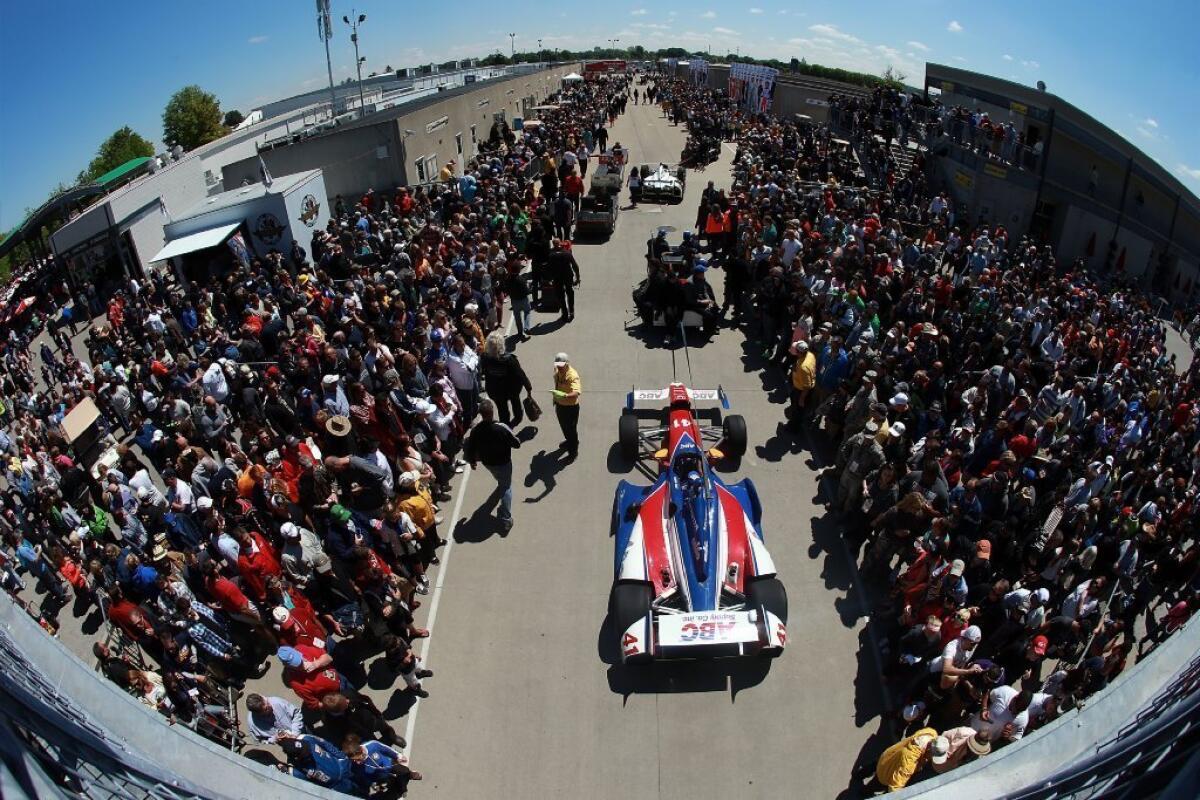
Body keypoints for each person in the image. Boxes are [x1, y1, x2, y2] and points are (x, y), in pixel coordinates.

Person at [464, 399, 521, 531]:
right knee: (506, 487)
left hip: (488, 463)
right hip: (504, 462)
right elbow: (516, 444)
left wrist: (472, 462)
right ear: (492, 412)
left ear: (481, 414)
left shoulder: (476, 430)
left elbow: (471, 447)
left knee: (500, 479)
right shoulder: (501, 427)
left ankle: (500, 484)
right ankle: (506, 518)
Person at [480, 330, 533, 428]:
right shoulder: (510, 359)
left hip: (495, 391)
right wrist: (528, 387)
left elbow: (482, 371)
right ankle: (518, 416)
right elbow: (520, 375)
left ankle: (505, 426)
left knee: (502, 409)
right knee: (515, 402)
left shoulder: (485, 358)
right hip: (511, 390)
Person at [551, 352, 581, 459]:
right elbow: (556, 375)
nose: (559, 367)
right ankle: (569, 441)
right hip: (560, 405)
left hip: (570, 408)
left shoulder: (572, 375)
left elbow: (576, 392)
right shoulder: (558, 369)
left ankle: (573, 453)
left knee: (571, 430)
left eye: (561, 365)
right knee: (564, 427)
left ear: (567, 364)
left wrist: (565, 396)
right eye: (557, 365)